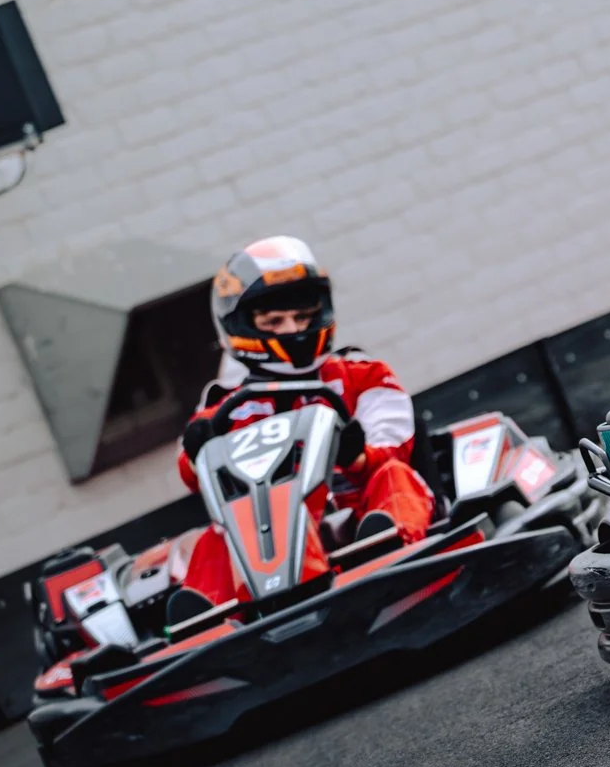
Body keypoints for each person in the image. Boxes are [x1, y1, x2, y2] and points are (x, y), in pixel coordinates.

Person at [171, 236, 433, 616]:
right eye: (274, 321)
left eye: (303, 316)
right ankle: (204, 621)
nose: (293, 329)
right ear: (240, 325)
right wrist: (198, 451)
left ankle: (390, 552)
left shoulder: (362, 374)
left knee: (394, 474)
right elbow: (194, 474)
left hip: (357, 514)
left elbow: (395, 443)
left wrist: (357, 455)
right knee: (216, 536)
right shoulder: (223, 403)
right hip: (270, 538)